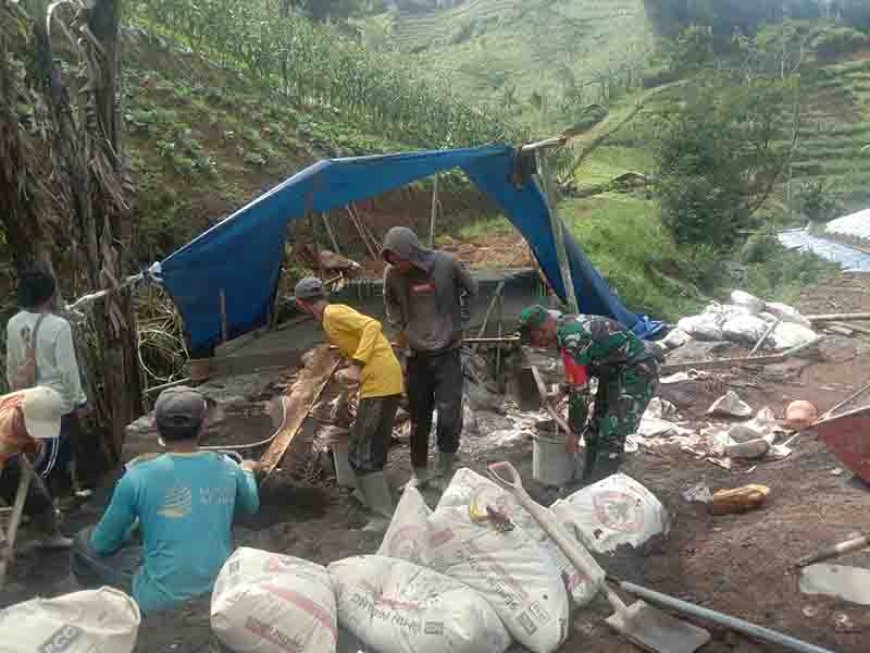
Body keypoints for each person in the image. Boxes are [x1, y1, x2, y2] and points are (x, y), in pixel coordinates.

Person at [71, 386, 259, 614]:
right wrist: (247, 470)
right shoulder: (229, 467)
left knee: (83, 542)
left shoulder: (137, 476)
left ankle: (110, 611)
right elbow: (251, 505)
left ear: (155, 427)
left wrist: (131, 526)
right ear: (204, 426)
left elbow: (102, 544)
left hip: (158, 599)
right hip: (219, 588)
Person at [294, 277, 403, 532]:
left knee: (360, 452)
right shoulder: (331, 317)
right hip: (383, 380)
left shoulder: (333, 313)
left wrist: (357, 365)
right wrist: (347, 364)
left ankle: (382, 515)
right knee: (369, 449)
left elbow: (371, 326)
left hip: (379, 383)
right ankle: (375, 503)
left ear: (301, 303)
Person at [518, 306, 660, 484]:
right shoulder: (563, 329)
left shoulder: (572, 339)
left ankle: (602, 488)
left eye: (536, 338)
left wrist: (574, 432)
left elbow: (580, 392)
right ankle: (588, 482)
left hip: (638, 371)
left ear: (543, 329)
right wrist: (562, 390)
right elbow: (581, 368)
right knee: (594, 430)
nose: (538, 344)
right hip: (614, 373)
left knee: (611, 433)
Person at [381, 226, 478, 489]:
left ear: (412, 252)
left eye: (400, 259)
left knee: (448, 414)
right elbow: (389, 300)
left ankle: (445, 469)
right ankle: (420, 472)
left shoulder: (447, 264)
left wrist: (461, 322)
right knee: (418, 417)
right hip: (416, 356)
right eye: (391, 260)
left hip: (448, 352)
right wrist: (400, 327)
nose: (396, 265)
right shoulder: (392, 274)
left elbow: (472, 289)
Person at [6, 268, 88, 491]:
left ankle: (59, 495)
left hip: (25, 399)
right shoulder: (58, 326)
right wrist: (79, 401)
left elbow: (11, 366)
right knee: (50, 459)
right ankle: (33, 497)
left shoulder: (13, 323)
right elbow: (68, 371)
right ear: (49, 295)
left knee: (39, 453)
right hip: (54, 403)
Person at [0, 386, 72, 548]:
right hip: (4, 442)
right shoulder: (5, 435)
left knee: (35, 492)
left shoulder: (38, 399)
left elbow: (38, 445)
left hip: (11, 440)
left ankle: (50, 535)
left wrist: (31, 454)